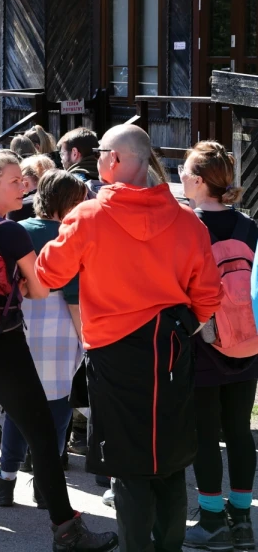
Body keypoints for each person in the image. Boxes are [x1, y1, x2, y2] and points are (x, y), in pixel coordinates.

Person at [36, 124, 222, 552]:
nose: (96, 158)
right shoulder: (187, 221)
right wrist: (182, 326)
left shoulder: (87, 216)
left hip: (113, 352)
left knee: (129, 466)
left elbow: (49, 275)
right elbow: (209, 296)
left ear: (114, 160)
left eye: (100, 151)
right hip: (171, 347)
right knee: (170, 462)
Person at [0, 148, 115, 552]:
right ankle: (67, 531)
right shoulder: (10, 232)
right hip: (0, 347)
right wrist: (20, 284)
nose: (23, 187)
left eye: (23, 180)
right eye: (14, 181)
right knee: (42, 437)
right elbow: (39, 288)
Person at [179, 142, 258, 550]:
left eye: (184, 169)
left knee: (206, 433)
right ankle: (242, 520)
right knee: (240, 431)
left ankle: (212, 520)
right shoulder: (249, 226)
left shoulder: (186, 226)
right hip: (247, 341)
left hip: (202, 341)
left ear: (197, 181)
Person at [0, 168, 86, 508]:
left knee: (19, 410)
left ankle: (5, 481)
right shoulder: (71, 235)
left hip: (20, 325)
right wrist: (87, 341)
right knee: (56, 413)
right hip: (60, 328)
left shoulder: (17, 230)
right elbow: (74, 296)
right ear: (71, 202)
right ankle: (46, 486)